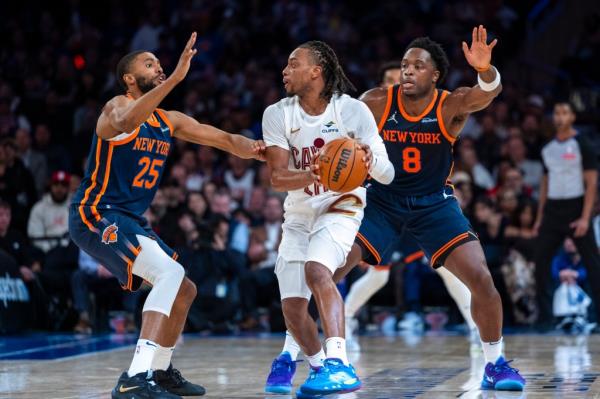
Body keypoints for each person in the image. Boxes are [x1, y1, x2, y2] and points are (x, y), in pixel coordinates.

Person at [68, 33, 265, 399]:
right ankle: (134, 377)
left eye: (160, 63)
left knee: (184, 289)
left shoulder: (167, 120)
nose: (157, 66)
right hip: (95, 212)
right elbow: (127, 121)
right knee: (169, 273)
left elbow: (221, 138)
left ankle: (159, 370)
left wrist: (256, 150)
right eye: (149, 63)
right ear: (129, 78)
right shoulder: (114, 108)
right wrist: (175, 78)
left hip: (129, 219)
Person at [339, 26, 525, 390]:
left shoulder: (450, 103)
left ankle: (495, 363)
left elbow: (488, 93)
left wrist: (486, 70)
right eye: (405, 65)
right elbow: (338, 130)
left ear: (435, 74)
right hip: (383, 201)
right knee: (329, 271)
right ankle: (324, 360)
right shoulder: (376, 100)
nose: (408, 71)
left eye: (417, 66)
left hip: (433, 204)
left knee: (482, 280)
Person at [262, 40, 394, 396]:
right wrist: (315, 175)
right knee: (292, 308)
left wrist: (370, 160)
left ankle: (339, 361)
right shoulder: (277, 113)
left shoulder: (352, 111)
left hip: (343, 205)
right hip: (299, 210)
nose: (285, 71)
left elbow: (388, 174)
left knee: (317, 270)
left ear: (316, 71)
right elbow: (277, 177)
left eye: (293, 64)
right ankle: (319, 367)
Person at [343, 61, 478, 352]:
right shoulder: (371, 116)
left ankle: (475, 326)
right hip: (385, 203)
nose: (399, 85)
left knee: (448, 269)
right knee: (379, 275)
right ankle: (344, 317)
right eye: (390, 81)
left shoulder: (425, 113)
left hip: (422, 204)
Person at [533, 102, 600, 330]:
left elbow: (591, 183)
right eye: (557, 112)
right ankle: (545, 318)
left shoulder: (583, 144)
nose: (560, 117)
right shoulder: (547, 148)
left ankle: (597, 316)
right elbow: (544, 183)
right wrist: (540, 217)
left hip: (576, 207)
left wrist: (585, 217)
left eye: (564, 113)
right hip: (552, 210)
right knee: (540, 262)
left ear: (572, 116)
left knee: (593, 263)